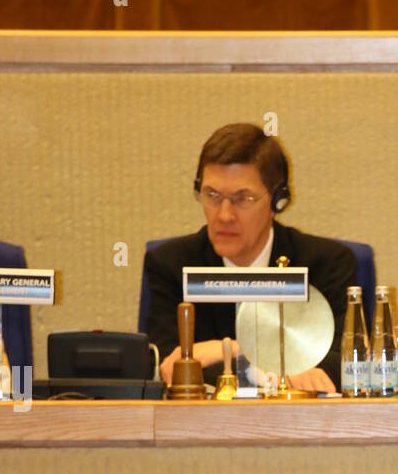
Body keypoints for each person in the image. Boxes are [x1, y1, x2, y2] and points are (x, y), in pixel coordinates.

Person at [144, 123, 356, 390]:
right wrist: (257, 360)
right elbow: (170, 368)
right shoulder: (171, 264)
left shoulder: (326, 263)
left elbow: (343, 366)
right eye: (212, 195)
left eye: (242, 198)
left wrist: (223, 353)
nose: (224, 215)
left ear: (278, 201)